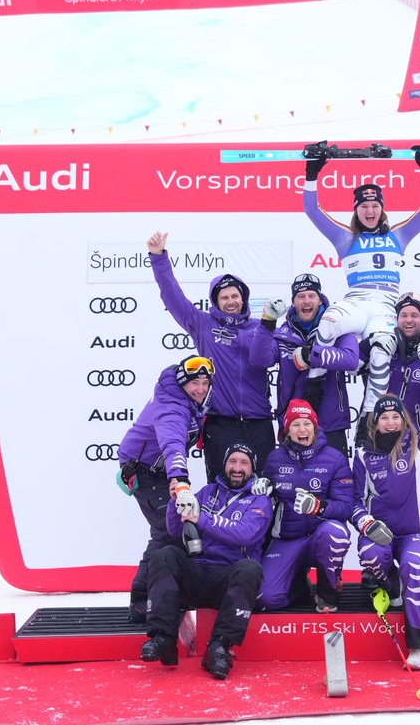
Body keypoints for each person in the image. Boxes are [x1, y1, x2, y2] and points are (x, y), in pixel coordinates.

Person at [302, 143, 420, 444]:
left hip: (385, 308)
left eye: (375, 205)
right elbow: (312, 210)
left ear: (382, 208)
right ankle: (316, 381)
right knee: (328, 322)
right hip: (358, 301)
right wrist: (312, 173)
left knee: (381, 353)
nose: (369, 210)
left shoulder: (398, 235)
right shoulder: (345, 237)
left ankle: (368, 420)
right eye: (364, 206)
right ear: (356, 210)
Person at [351, 385, 420, 671]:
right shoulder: (365, 456)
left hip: (417, 534)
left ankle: (418, 646)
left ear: (403, 419)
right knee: (371, 555)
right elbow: (353, 501)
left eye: (395, 416)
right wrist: (366, 523)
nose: (390, 422)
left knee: (413, 566)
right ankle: (391, 586)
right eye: (384, 417)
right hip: (382, 534)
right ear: (375, 422)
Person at [148, 231, 277, 483]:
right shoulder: (202, 324)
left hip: (259, 422)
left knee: (264, 489)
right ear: (216, 302)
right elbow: (172, 295)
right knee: (219, 487)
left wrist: (267, 327)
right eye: (224, 297)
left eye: (235, 296)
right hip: (220, 422)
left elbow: (267, 360)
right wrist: (158, 257)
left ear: (243, 298)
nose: (231, 301)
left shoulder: (260, 328)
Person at [139, 442, 273, 680]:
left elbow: (245, 533)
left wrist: (201, 517)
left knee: (251, 568)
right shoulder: (207, 492)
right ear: (225, 465)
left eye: (244, 463)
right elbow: (173, 528)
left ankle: (219, 646)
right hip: (198, 572)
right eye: (233, 461)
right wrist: (175, 502)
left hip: (230, 580)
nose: (237, 468)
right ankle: (163, 638)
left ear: (252, 469)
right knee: (164, 555)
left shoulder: (259, 500)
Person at [117, 355, 215, 623]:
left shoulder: (188, 400)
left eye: (205, 383)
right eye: (195, 382)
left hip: (160, 471)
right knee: (167, 531)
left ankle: (161, 594)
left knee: (169, 532)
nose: (201, 389)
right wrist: (180, 479)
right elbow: (172, 444)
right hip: (146, 471)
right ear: (183, 382)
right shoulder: (172, 408)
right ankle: (141, 601)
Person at [256, 399, 355, 613]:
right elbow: (268, 498)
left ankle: (327, 594)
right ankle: (299, 585)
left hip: (320, 537)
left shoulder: (335, 458)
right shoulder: (275, 459)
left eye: (307, 424)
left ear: (315, 427)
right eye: (295, 425)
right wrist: (263, 489)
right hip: (288, 539)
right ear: (287, 431)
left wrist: (319, 506)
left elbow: (346, 506)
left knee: (335, 532)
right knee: (264, 598)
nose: (302, 429)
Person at [255, 273, 359, 455]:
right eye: (301, 296)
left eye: (311, 296)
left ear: (320, 300)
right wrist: (267, 323)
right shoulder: (282, 334)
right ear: (293, 302)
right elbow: (260, 360)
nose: (306, 301)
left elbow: (350, 359)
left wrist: (312, 355)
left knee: (335, 480)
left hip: (330, 422)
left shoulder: (338, 326)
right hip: (293, 423)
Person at [381, 292, 420, 434]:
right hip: (382, 437)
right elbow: (355, 367)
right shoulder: (385, 346)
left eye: (414, 315)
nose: (408, 320)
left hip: (417, 438)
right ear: (397, 319)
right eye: (403, 315)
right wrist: (369, 344)